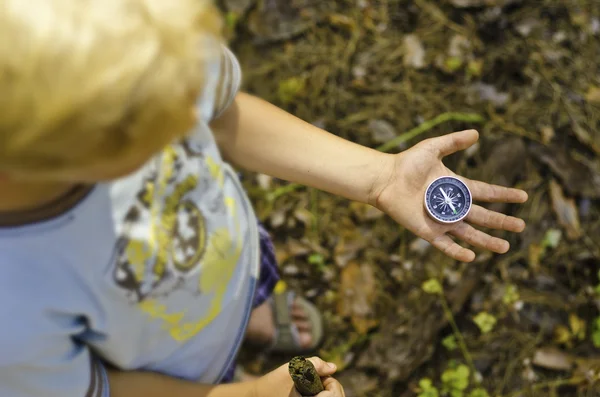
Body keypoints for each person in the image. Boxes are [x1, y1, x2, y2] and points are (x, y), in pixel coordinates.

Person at [0, 0, 528, 396]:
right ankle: (233, 370)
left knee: (240, 282)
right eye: (160, 129)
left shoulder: (131, 47)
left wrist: (379, 177)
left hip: (223, 249)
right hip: (167, 363)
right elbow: (107, 388)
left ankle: (246, 312)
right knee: (218, 372)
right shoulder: (14, 312)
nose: (189, 122)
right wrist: (251, 394)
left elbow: (225, 116)